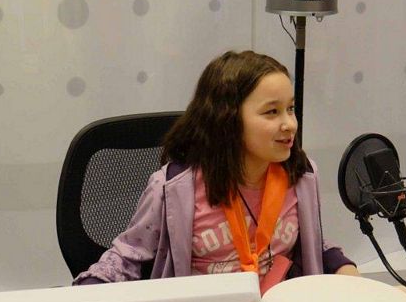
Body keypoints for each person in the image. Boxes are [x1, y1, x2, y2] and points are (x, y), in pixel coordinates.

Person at [74, 50, 358, 289]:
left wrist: (343, 267)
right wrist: (85, 296)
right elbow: (127, 257)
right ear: (228, 119)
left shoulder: (301, 176)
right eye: (272, 112)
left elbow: (312, 242)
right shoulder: (173, 187)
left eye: (291, 109)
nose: (290, 124)